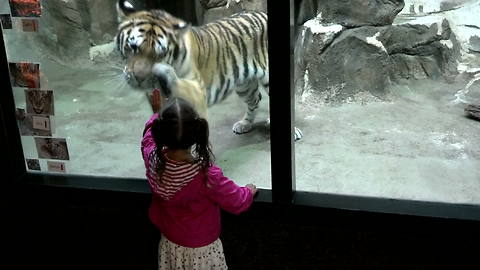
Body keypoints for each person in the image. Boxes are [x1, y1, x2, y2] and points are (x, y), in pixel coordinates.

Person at [141, 89, 258, 269]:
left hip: (170, 244)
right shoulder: (205, 176)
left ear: (161, 132)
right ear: (197, 133)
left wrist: (156, 114)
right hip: (203, 252)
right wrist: (249, 191)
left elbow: (148, 140)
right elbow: (236, 201)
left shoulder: (153, 161)